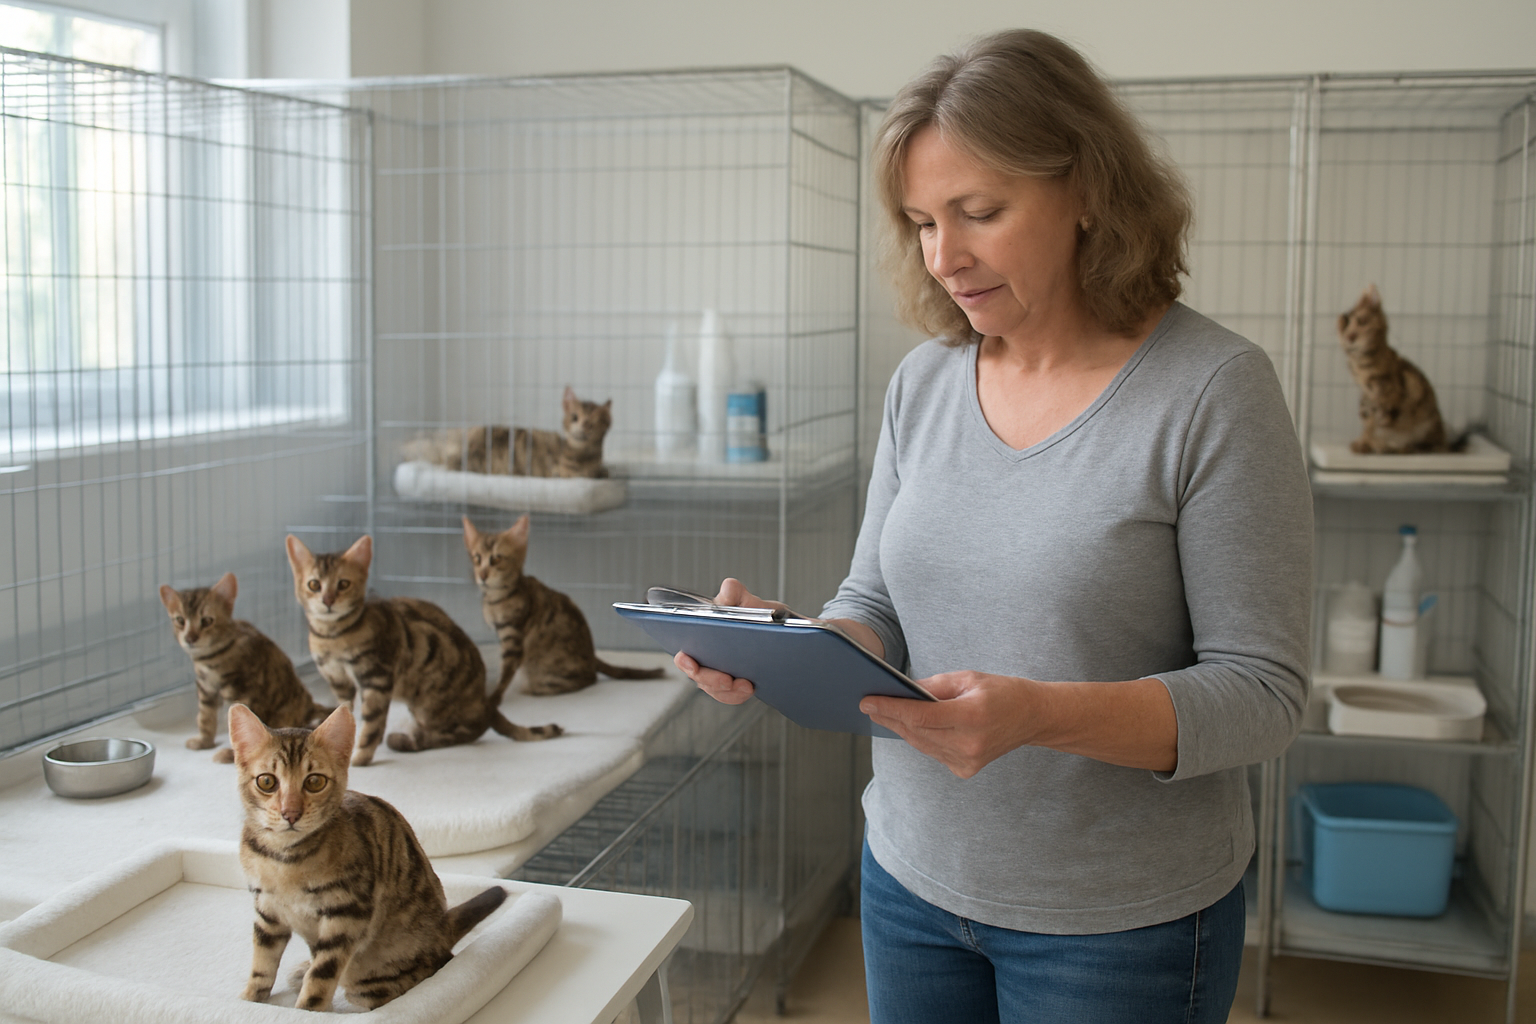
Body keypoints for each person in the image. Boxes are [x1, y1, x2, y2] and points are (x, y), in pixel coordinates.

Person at [674, 28, 1312, 1024]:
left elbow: (1263, 693)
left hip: (1119, 924)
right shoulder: (924, 382)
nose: (944, 256)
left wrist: (1038, 715)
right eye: (922, 222)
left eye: (980, 212)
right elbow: (876, 600)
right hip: (909, 879)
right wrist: (796, 648)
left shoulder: (1213, 391)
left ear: (1088, 188)